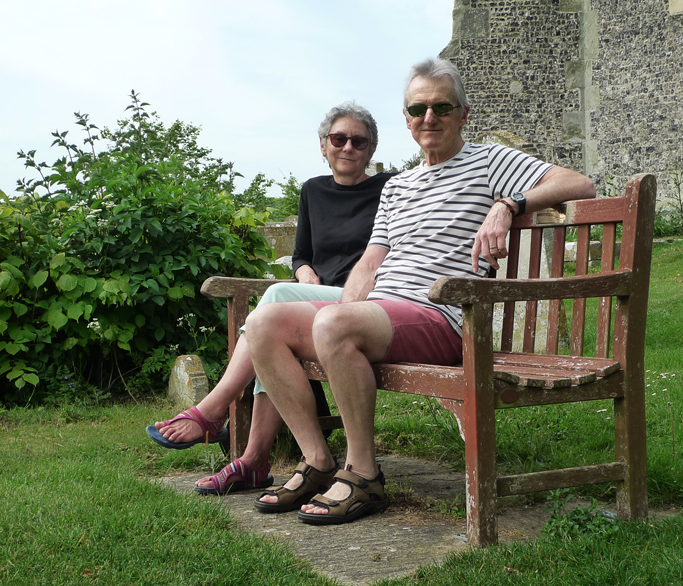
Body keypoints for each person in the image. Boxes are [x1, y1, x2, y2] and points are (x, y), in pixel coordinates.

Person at [245, 58, 597, 524]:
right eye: (418, 109)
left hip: (442, 315)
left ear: (463, 114)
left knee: (332, 322)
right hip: (382, 314)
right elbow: (370, 263)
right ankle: (318, 461)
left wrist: (508, 204)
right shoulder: (398, 186)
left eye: (441, 107)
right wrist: (339, 319)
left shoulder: (489, 160)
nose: (429, 118)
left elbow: (580, 182)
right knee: (263, 323)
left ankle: (364, 475)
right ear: (407, 118)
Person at [146, 102, 394, 495]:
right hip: (315, 304)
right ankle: (253, 461)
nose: (348, 147)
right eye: (338, 138)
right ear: (323, 145)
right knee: (274, 326)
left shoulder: (388, 188)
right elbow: (302, 254)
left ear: (371, 149)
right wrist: (304, 272)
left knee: (276, 299)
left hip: (363, 308)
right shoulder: (313, 190)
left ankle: (215, 409)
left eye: (359, 141)